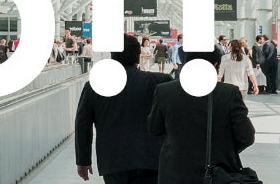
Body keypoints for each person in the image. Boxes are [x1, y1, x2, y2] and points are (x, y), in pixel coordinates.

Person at [147, 50, 255, 183]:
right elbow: (246, 136)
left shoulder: (164, 91)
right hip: (218, 173)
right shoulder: (228, 93)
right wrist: (225, 149)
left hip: (175, 171)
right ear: (215, 65)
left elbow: (154, 128)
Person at [75, 34, 168, 183]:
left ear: (113, 56)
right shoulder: (159, 82)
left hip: (113, 161)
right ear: (138, 56)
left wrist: (83, 160)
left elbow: (82, 124)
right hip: (151, 159)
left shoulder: (95, 85)